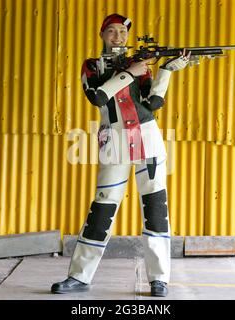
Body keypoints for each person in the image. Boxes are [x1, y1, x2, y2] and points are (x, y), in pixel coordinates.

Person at [51, 13, 190, 297]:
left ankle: (159, 279)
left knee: (155, 209)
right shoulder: (92, 65)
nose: (118, 37)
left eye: (122, 33)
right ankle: (79, 276)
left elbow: (153, 103)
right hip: (113, 141)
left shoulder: (139, 66)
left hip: (148, 140)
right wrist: (131, 73)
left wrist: (166, 70)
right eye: (112, 31)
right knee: (102, 207)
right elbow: (98, 96)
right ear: (102, 35)